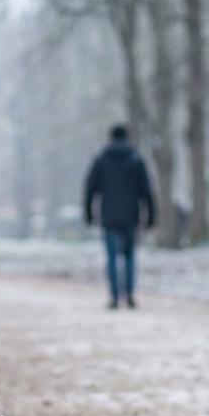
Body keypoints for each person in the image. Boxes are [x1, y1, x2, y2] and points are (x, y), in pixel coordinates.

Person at [83, 125, 155, 309]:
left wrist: (89, 214)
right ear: (127, 138)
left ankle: (115, 296)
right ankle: (129, 293)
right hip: (131, 216)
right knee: (130, 256)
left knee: (112, 257)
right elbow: (147, 191)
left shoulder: (101, 160)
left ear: (110, 138)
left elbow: (90, 189)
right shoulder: (136, 160)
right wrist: (151, 216)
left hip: (108, 217)